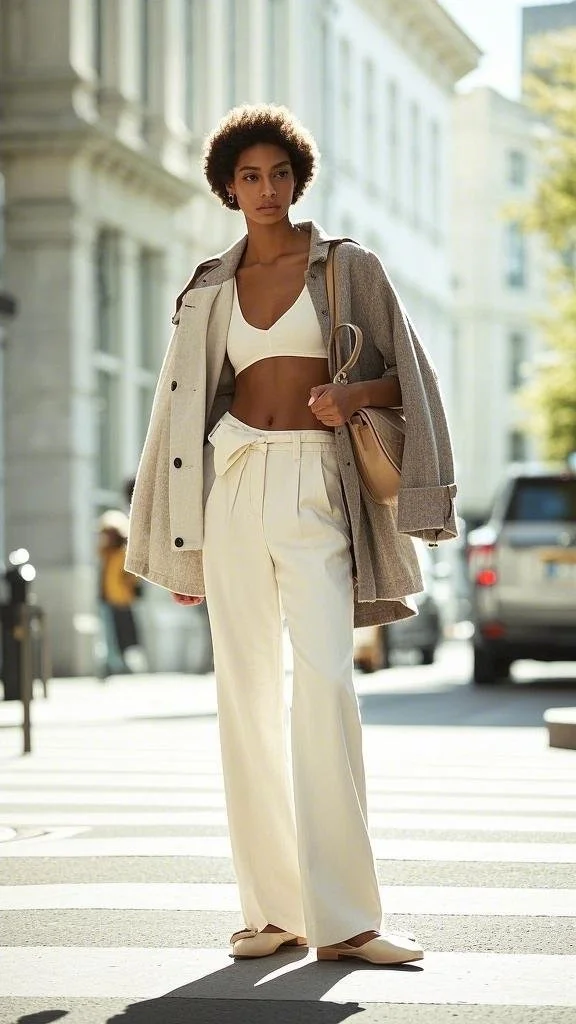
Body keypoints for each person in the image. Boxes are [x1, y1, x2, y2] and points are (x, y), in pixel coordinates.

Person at [126, 104, 457, 965]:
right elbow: (178, 414)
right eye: (249, 177)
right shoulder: (207, 285)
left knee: (324, 687)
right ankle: (271, 912)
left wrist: (353, 397)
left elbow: (408, 377)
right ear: (227, 188)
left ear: (296, 180)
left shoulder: (350, 268)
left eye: (278, 174)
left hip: (317, 480)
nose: (265, 190)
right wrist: (177, 541)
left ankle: (349, 919)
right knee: (241, 694)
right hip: (230, 480)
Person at [98, 510, 147, 677]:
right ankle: (114, 664)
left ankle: (129, 664)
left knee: (126, 634)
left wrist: (127, 588)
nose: (106, 537)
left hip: (123, 600)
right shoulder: (107, 554)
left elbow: (132, 578)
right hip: (108, 599)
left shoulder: (122, 554)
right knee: (111, 634)